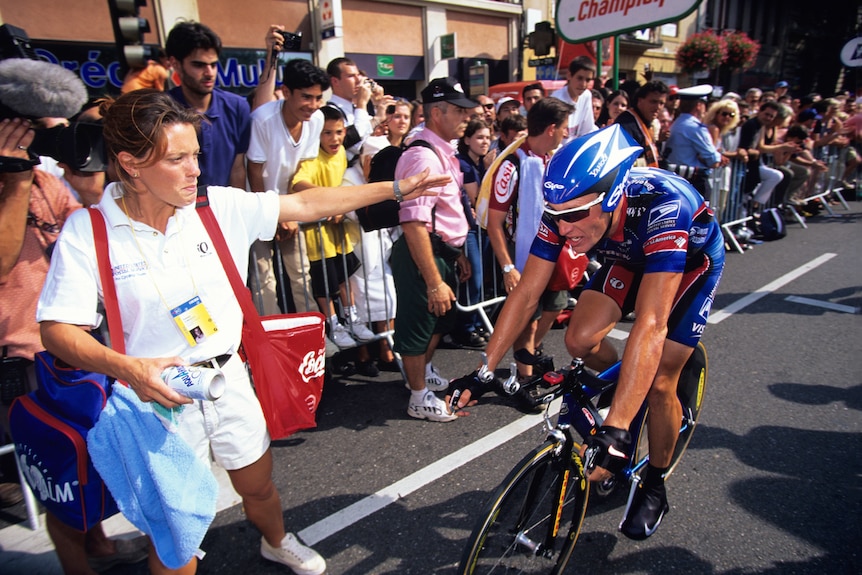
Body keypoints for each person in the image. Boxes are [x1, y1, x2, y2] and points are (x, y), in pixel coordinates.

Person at [35, 89, 447, 575]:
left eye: (195, 155)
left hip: (227, 381)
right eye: (177, 159)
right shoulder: (89, 231)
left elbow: (307, 203)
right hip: (156, 403)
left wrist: (394, 189)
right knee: (176, 533)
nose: (194, 169)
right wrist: (127, 367)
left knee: (258, 485)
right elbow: (58, 330)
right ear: (130, 163)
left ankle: (276, 540)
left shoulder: (216, 207)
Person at [450, 124, 725, 540]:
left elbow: (651, 323)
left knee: (659, 380)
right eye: (555, 217)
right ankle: (621, 386)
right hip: (627, 257)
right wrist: (483, 370)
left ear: (612, 199)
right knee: (578, 341)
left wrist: (614, 425)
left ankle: (654, 480)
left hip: (689, 265)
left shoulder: (664, 205)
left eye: (574, 216)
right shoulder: (565, 206)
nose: (563, 230)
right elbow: (527, 292)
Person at [0, 58, 148, 574]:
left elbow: (85, 229)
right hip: (18, 351)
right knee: (58, 469)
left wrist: (68, 153)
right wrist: (15, 175)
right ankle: (77, 568)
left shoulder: (44, 177)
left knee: (88, 454)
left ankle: (102, 546)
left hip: (68, 339)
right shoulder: (18, 179)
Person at [392, 77, 474, 422]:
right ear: (437, 113)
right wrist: (433, 280)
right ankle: (417, 396)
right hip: (422, 255)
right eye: (459, 110)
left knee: (440, 320)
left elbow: (446, 211)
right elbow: (413, 223)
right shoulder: (422, 157)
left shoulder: (442, 152)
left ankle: (421, 373)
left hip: (442, 252)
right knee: (417, 326)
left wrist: (457, 254)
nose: (466, 117)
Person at [483, 97, 573, 379]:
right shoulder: (511, 165)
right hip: (523, 253)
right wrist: (508, 267)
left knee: (555, 308)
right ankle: (525, 376)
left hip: (552, 248)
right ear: (551, 128)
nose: (566, 133)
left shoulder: (551, 159)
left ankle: (530, 353)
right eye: (564, 127)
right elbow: (494, 223)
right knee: (528, 319)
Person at [247, 58, 328, 316]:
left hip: (291, 207)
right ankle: (271, 338)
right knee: (264, 279)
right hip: (257, 205)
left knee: (301, 273)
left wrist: (289, 212)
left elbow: (303, 167)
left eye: (318, 98)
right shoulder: (263, 118)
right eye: (306, 97)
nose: (313, 105)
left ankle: (311, 333)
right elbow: (254, 170)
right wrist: (274, 213)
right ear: (286, 91)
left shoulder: (317, 120)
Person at [290, 105, 376, 349]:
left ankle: (352, 319)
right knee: (324, 285)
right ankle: (334, 324)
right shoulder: (312, 157)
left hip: (338, 231)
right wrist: (330, 201)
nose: (334, 138)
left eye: (339, 132)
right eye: (327, 133)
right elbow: (298, 182)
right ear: (317, 134)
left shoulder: (340, 153)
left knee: (345, 277)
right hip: (318, 236)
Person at [165, 21, 249, 189]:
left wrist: (236, 210)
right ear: (175, 64)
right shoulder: (161, 110)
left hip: (222, 209)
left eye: (213, 65)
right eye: (199, 65)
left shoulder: (238, 107)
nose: (209, 73)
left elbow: (238, 169)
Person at [665, 84, 727, 202]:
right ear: (699, 105)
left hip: (679, 179)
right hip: (694, 181)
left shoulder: (678, 123)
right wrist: (718, 157)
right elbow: (713, 160)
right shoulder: (695, 128)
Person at [614, 81, 668, 168]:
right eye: (653, 102)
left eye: (661, 103)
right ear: (640, 101)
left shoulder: (649, 123)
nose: (658, 107)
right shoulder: (626, 124)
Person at [550, 56, 597, 144]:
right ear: (569, 75)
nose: (583, 84)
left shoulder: (586, 95)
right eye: (579, 78)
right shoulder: (556, 98)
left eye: (588, 80)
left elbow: (587, 129)